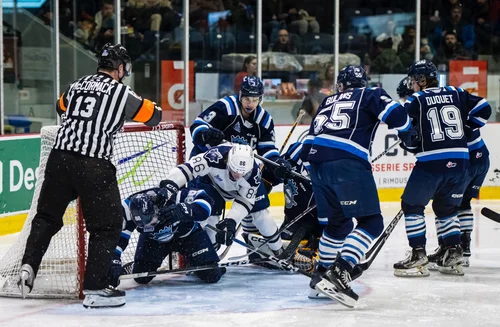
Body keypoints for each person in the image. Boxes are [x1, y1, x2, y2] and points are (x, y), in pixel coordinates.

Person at [18, 43, 162, 308]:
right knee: (107, 227)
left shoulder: (76, 85)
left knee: (47, 217)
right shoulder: (121, 92)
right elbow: (153, 116)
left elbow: (61, 106)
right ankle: (95, 288)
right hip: (93, 165)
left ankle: (29, 265)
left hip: (59, 159)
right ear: (120, 68)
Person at [302, 65, 413, 307]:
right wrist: (408, 132)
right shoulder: (370, 93)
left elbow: (307, 140)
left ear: (340, 85)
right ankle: (340, 271)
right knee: (372, 222)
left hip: (317, 163)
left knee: (337, 224)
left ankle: (320, 276)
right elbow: (397, 116)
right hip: (347, 163)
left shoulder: (328, 101)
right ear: (363, 82)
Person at [393, 59, 491, 277]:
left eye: (413, 80)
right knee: (446, 208)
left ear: (421, 80)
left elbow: (404, 126)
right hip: (461, 163)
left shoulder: (417, 98)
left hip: (432, 163)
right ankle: (453, 252)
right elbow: (485, 108)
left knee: (412, 204)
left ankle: (418, 255)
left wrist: (409, 142)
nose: (412, 85)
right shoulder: (456, 92)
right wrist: (465, 129)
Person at [189, 75, 291, 256]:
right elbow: (197, 125)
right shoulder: (225, 107)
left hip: (242, 172)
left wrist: (277, 163)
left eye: (254, 100)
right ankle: (206, 256)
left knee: (260, 210)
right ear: (240, 95)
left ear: (260, 99)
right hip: (212, 170)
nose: (249, 104)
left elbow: (267, 150)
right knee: (210, 213)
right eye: (246, 98)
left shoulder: (264, 120)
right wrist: (206, 134)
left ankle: (279, 253)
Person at [108, 185, 224, 287]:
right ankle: (134, 265)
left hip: (188, 236)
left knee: (211, 275)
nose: (149, 226)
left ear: (156, 208)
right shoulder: (126, 209)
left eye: (152, 222)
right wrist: (114, 260)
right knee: (141, 277)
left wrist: (184, 210)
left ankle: (195, 260)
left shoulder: (172, 197)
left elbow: (207, 201)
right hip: (154, 241)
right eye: (144, 226)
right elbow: (117, 239)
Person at [159, 143, 265, 251]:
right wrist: (169, 185)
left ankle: (208, 252)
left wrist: (231, 220)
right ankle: (193, 248)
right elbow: (188, 168)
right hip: (207, 181)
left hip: (228, 192)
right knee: (202, 218)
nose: (238, 176)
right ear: (228, 162)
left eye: (243, 173)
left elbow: (245, 200)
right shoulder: (215, 156)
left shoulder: (254, 175)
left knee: (213, 232)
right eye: (234, 171)